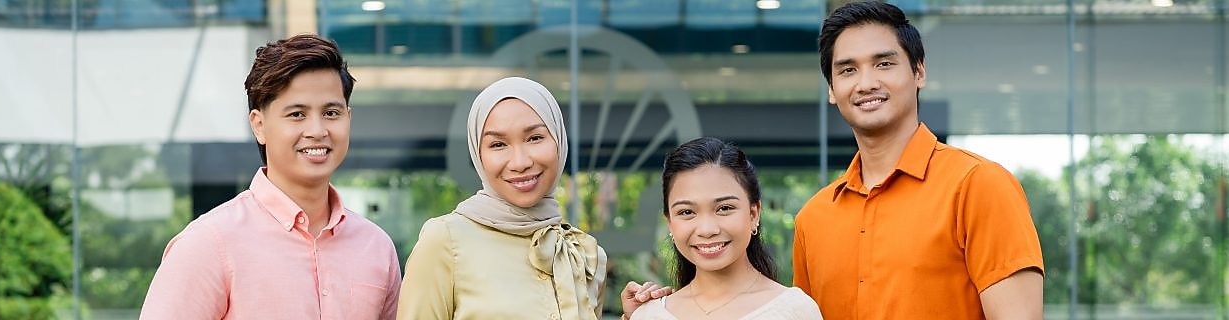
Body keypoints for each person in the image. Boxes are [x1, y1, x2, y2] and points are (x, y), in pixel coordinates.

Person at [792, 2, 1045, 319]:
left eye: (883, 64)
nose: (866, 83)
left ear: (919, 71)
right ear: (832, 89)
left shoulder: (978, 184)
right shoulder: (812, 219)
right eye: (847, 70)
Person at [140, 34, 402, 319]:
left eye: (330, 112)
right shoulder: (210, 243)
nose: (317, 130)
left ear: (348, 118)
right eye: (297, 114)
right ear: (259, 125)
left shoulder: (375, 246)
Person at [397, 77, 607, 319]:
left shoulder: (583, 254)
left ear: (559, 140)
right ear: (478, 155)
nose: (520, 162)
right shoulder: (445, 241)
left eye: (534, 138)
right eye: (498, 144)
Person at [622, 137, 822, 320]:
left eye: (724, 208)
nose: (707, 229)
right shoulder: (650, 314)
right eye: (686, 212)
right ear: (670, 223)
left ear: (754, 214)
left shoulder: (795, 310)